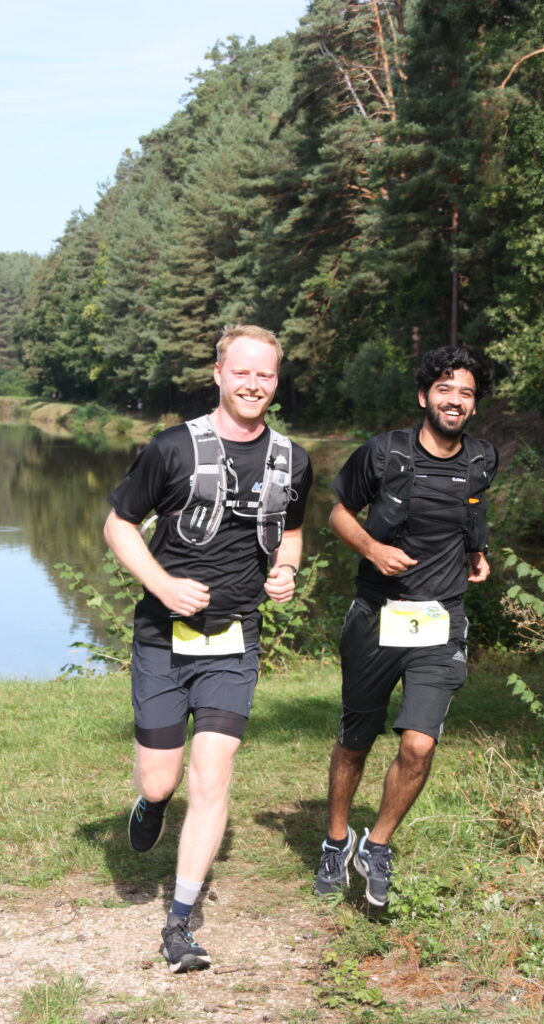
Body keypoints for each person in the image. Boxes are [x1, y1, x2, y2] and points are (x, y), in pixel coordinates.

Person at [104, 325, 312, 973]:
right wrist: (162, 583)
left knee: (213, 773)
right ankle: (152, 800)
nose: (253, 384)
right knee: (163, 776)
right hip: (161, 640)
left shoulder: (291, 460)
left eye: (266, 375)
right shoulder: (171, 449)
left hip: (233, 641)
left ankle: (180, 922)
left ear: (276, 382)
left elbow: (293, 534)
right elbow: (118, 525)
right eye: (242, 371)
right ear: (218, 373)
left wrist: (286, 572)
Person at [314, 345, 497, 907]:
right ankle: (336, 840)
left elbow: (470, 508)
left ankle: (379, 845)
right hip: (377, 617)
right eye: (445, 389)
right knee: (355, 740)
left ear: (473, 405)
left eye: (465, 392)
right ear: (425, 397)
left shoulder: (482, 458)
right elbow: (337, 512)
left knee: (418, 743)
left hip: (441, 620)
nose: (455, 400)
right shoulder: (384, 453)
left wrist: (478, 550)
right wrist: (371, 548)